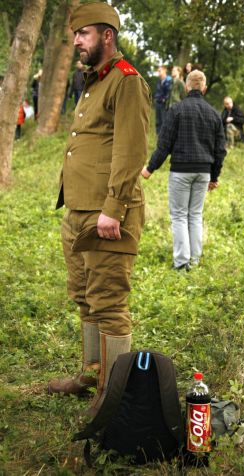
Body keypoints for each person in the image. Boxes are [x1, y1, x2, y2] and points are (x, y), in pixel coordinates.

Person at [48, 2, 151, 417]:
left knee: (109, 303)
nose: (76, 41)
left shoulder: (126, 82)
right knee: (85, 299)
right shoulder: (93, 82)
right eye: (75, 35)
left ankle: (114, 394)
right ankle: (92, 375)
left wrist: (114, 208)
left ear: (107, 35)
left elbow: (131, 151)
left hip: (108, 214)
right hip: (78, 210)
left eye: (84, 34)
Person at [141, 70, 226, 271]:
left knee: (179, 216)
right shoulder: (214, 114)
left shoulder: (176, 110)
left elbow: (164, 145)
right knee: (195, 215)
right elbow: (220, 150)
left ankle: (181, 263)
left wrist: (149, 168)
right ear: (204, 88)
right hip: (203, 172)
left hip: (180, 171)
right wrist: (214, 176)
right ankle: (194, 262)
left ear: (187, 87)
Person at [154, 65, 172, 135]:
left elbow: (169, 92)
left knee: (164, 119)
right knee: (158, 120)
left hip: (164, 103)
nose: (159, 72)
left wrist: (165, 99)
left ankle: (164, 135)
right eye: (158, 71)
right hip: (158, 102)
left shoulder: (169, 80)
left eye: (160, 71)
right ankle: (158, 135)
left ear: (165, 70)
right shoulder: (159, 81)